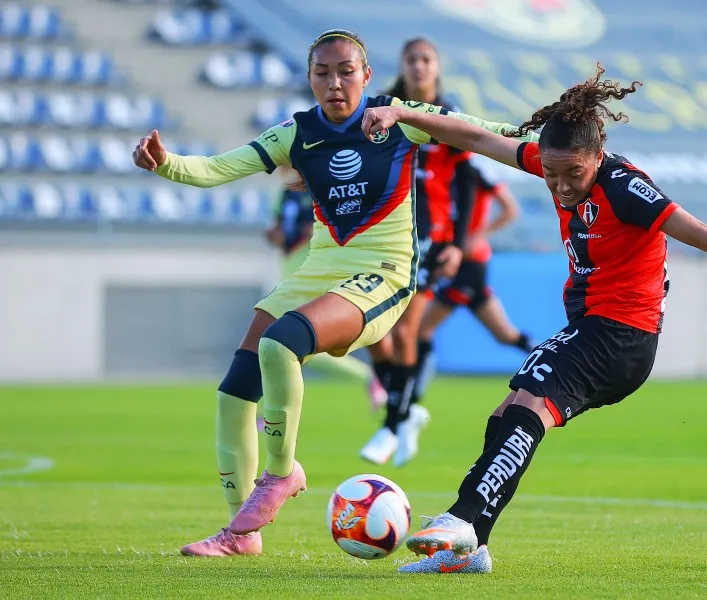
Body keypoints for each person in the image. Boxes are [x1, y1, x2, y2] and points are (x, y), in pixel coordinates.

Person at [360, 63, 707, 574]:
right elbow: (475, 137)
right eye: (550, 174)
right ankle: (473, 549)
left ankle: (462, 520)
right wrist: (403, 111)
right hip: (595, 328)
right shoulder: (551, 160)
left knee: (529, 402)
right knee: (509, 413)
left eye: (573, 175)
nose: (561, 186)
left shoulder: (626, 188)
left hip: (622, 335)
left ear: (597, 158)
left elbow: (702, 232)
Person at [131, 28, 533, 558]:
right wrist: (165, 163)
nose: (335, 82)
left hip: (382, 274)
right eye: (323, 72)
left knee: (280, 343)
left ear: (366, 76)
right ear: (310, 79)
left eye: (346, 71)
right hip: (319, 270)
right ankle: (241, 534)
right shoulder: (295, 133)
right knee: (233, 394)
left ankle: (280, 475)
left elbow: (472, 130)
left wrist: (527, 134)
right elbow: (218, 168)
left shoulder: (394, 116)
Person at [360, 37, 477, 468]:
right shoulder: (381, 109)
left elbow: (466, 183)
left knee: (407, 333)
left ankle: (392, 423)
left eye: (427, 59)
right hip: (383, 235)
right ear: (402, 65)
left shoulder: (449, 119)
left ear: (438, 66)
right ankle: (406, 409)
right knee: (370, 331)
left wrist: (459, 245)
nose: (419, 66)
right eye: (412, 59)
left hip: (433, 239)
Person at [265, 171, 388, 413]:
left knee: (282, 341)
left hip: (312, 266)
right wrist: (276, 235)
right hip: (289, 264)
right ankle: (272, 412)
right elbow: (279, 228)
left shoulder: (322, 183)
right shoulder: (286, 192)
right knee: (281, 344)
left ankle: (369, 378)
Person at [413, 160, 535, 403]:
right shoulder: (442, 169)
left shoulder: (476, 168)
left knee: (421, 329)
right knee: (505, 335)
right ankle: (553, 359)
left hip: (469, 264)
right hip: (455, 260)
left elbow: (510, 209)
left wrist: (477, 237)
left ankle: (414, 393)